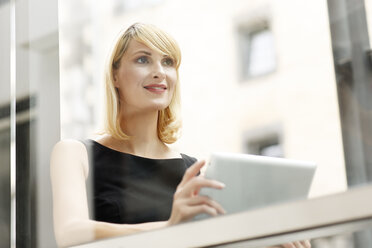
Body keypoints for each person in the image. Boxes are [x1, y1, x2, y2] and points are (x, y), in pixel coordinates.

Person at [50, 23, 310, 248]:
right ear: (115, 74)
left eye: (168, 62)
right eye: (143, 59)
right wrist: (170, 227)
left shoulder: (193, 171)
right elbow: (71, 234)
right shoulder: (75, 153)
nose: (160, 72)